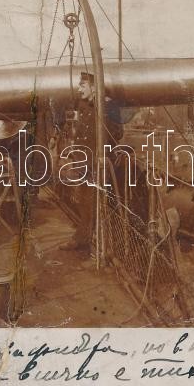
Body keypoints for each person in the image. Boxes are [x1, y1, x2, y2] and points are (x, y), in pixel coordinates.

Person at [60, 72, 124, 252]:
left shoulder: (109, 106)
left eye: (83, 85)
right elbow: (79, 133)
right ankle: (85, 239)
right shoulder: (82, 105)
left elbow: (118, 134)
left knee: (102, 203)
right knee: (85, 202)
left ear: (94, 87)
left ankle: (104, 243)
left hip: (101, 163)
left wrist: (102, 113)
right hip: (84, 162)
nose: (79, 88)